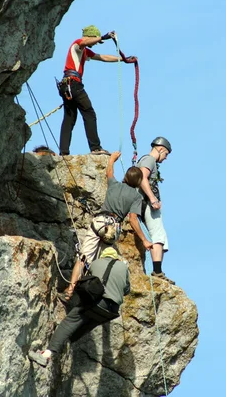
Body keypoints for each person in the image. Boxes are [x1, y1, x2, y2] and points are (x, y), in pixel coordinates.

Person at [62, 151, 152, 301]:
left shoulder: (114, 184)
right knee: (108, 261)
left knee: (84, 257)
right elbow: (133, 220)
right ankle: (100, 295)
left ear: (126, 177)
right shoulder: (136, 197)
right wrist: (144, 240)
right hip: (113, 229)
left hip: (99, 222)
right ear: (138, 183)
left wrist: (112, 159)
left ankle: (70, 290)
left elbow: (109, 172)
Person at [29, 247, 129, 366]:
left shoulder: (96, 263)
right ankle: (66, 343)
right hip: (112, 310)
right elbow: (127, 290)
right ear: (116, 257)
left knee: (69, 322)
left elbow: (87, 279)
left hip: (97, 302)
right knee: (85, 325)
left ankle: (46, 355)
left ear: (103, 256)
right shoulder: (124, 267)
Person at [57, 25, 134, 156]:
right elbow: (85, 41)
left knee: (69, 119)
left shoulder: (84, 51)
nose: (96, 44)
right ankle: (95, 148)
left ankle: (64, 152)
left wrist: (123, 59)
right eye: (96, 40)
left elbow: (102, 57)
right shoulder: (77, 45)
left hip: (67, 85)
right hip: (73, 84)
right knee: (89, 113)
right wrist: (102, 37)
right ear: (91, 37)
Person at [137, 137, 174, 284]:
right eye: (166, 155)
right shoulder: (149, 160)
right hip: (146, 202)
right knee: (158, 234)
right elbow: (142, 178)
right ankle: (157, 271)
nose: (165, 159)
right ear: (161, 149)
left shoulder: (148, 161)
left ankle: (158, 269)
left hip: (144, 202)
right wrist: (152, 198)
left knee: (159, 236)